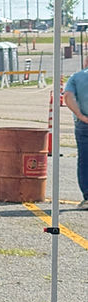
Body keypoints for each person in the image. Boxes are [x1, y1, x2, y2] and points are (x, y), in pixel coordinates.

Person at [63, 69, 88, 209]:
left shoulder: (77, 77)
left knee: (85, 160)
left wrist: (80, 116)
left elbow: (67, 96)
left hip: (84, 123)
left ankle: (87, 196)